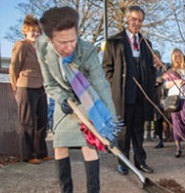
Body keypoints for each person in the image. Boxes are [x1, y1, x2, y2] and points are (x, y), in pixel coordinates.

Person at [36, 6, 119, 192]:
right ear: (50, 40)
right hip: (63, 99)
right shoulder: (41, 47)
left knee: (89, 146)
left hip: (85, 98)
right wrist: (63, 99)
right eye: (63, 42)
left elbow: (101, 85)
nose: (69, 47)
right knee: (60, 146)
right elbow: (49, 84)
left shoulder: (87, 51)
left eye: (72, 40)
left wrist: (111, 126)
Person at [102, 5, 155, 175]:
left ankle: (141, 162)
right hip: (123, 95)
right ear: (127, 19)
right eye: (134, 19)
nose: (136, 23)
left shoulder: (146, 43)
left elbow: (151, 69)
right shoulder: (114, 42)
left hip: (141, 95)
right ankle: (123, 163)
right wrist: (115, 85)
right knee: (123, 132)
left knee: (138, 131)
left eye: (140, 21)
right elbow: (106, 69)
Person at [9, 15, 51, 164]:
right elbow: (14, 67)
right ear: (25, 32)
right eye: (32, 31)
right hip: (25, 87)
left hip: (40, 87)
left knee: (42, 121)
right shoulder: (22, 45)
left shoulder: (40, 48)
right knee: (27, 122)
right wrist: (15, 86)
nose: (35, 34)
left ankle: (41, 152)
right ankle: (28, 155)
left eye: (38, 31)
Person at [152, 50, 167, 149]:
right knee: (157, 119)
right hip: (155, 96)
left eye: (156, 57)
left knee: (167, 118)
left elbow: (166, 77)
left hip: (165, 95)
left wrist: (159, 80)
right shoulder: (151, 69)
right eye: (153, 58)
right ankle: (160, 139)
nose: (155, 60)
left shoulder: (166, 67)